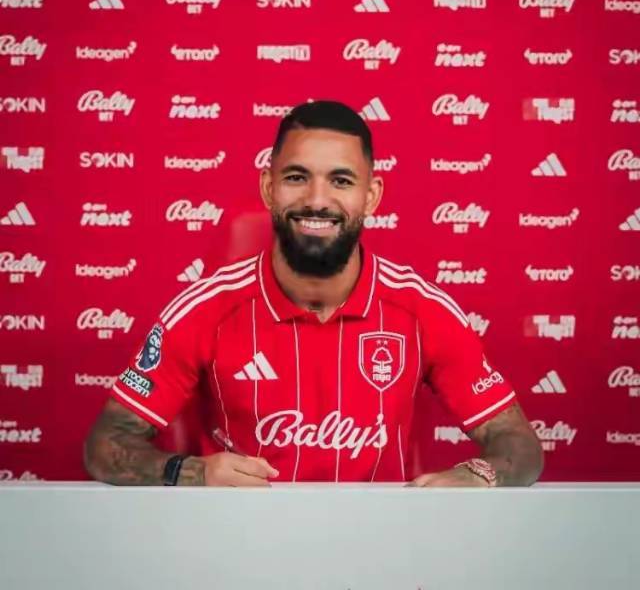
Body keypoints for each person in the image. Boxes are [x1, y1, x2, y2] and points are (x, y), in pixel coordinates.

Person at [84, 100, 543, 487]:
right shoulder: (205, 310)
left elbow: (518, 443)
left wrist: (478, 475)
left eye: (341, 181)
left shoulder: (422, 310)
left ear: (371, 196)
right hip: (238, 544)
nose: (317, 200)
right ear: (268, 187)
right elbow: (106, 443)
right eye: (296, 177)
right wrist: (192, 472)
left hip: (381, 546)